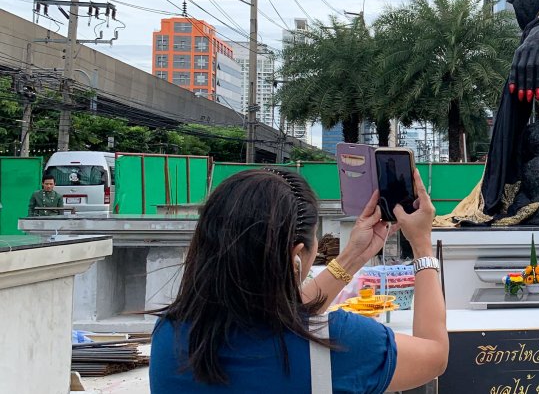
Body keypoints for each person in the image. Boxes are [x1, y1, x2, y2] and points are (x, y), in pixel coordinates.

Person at [150, 167, 447, 393]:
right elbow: (434, 355)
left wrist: (353, 257)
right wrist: (421, 245)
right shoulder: (341, 344)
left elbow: (274, 312)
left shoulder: (171, 336)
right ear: (297, 257)